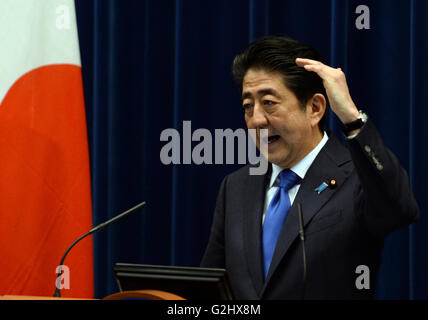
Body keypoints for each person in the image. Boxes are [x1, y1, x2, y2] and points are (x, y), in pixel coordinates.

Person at [200, 36, 419, 299]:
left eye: (269, 102)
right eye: (248, 106)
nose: (256, 119)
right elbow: (210, 288)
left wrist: (351, 118)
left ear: (315, 108)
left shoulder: (358, 177)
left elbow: (399, 208)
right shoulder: (236, 186)